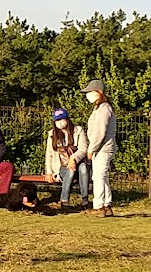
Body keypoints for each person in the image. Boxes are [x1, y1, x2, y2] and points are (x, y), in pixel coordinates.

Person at [75, 79, 117, 216]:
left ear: (99, 92)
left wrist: (91, 149)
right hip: (102, 148)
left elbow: (100, 131)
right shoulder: (100, 108)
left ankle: (99, 206)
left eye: (90, 92)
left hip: (102, 148)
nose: (88, 95)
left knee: (98, 177)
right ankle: (107, 205)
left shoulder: (104, 109)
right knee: (102, 176)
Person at [44, 108, 90, 208]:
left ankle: (85, 200)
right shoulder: (52, 134)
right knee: (70, 171)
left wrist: (73, 159)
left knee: (83, 168)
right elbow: (49, 154)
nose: (59, 123)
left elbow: (83, 148)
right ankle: (64, 200)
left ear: (67, 119)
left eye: (61, 119)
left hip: (78, 163)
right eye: (57, 120)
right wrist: (49, 172)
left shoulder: (78, 130)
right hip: (62, 167)